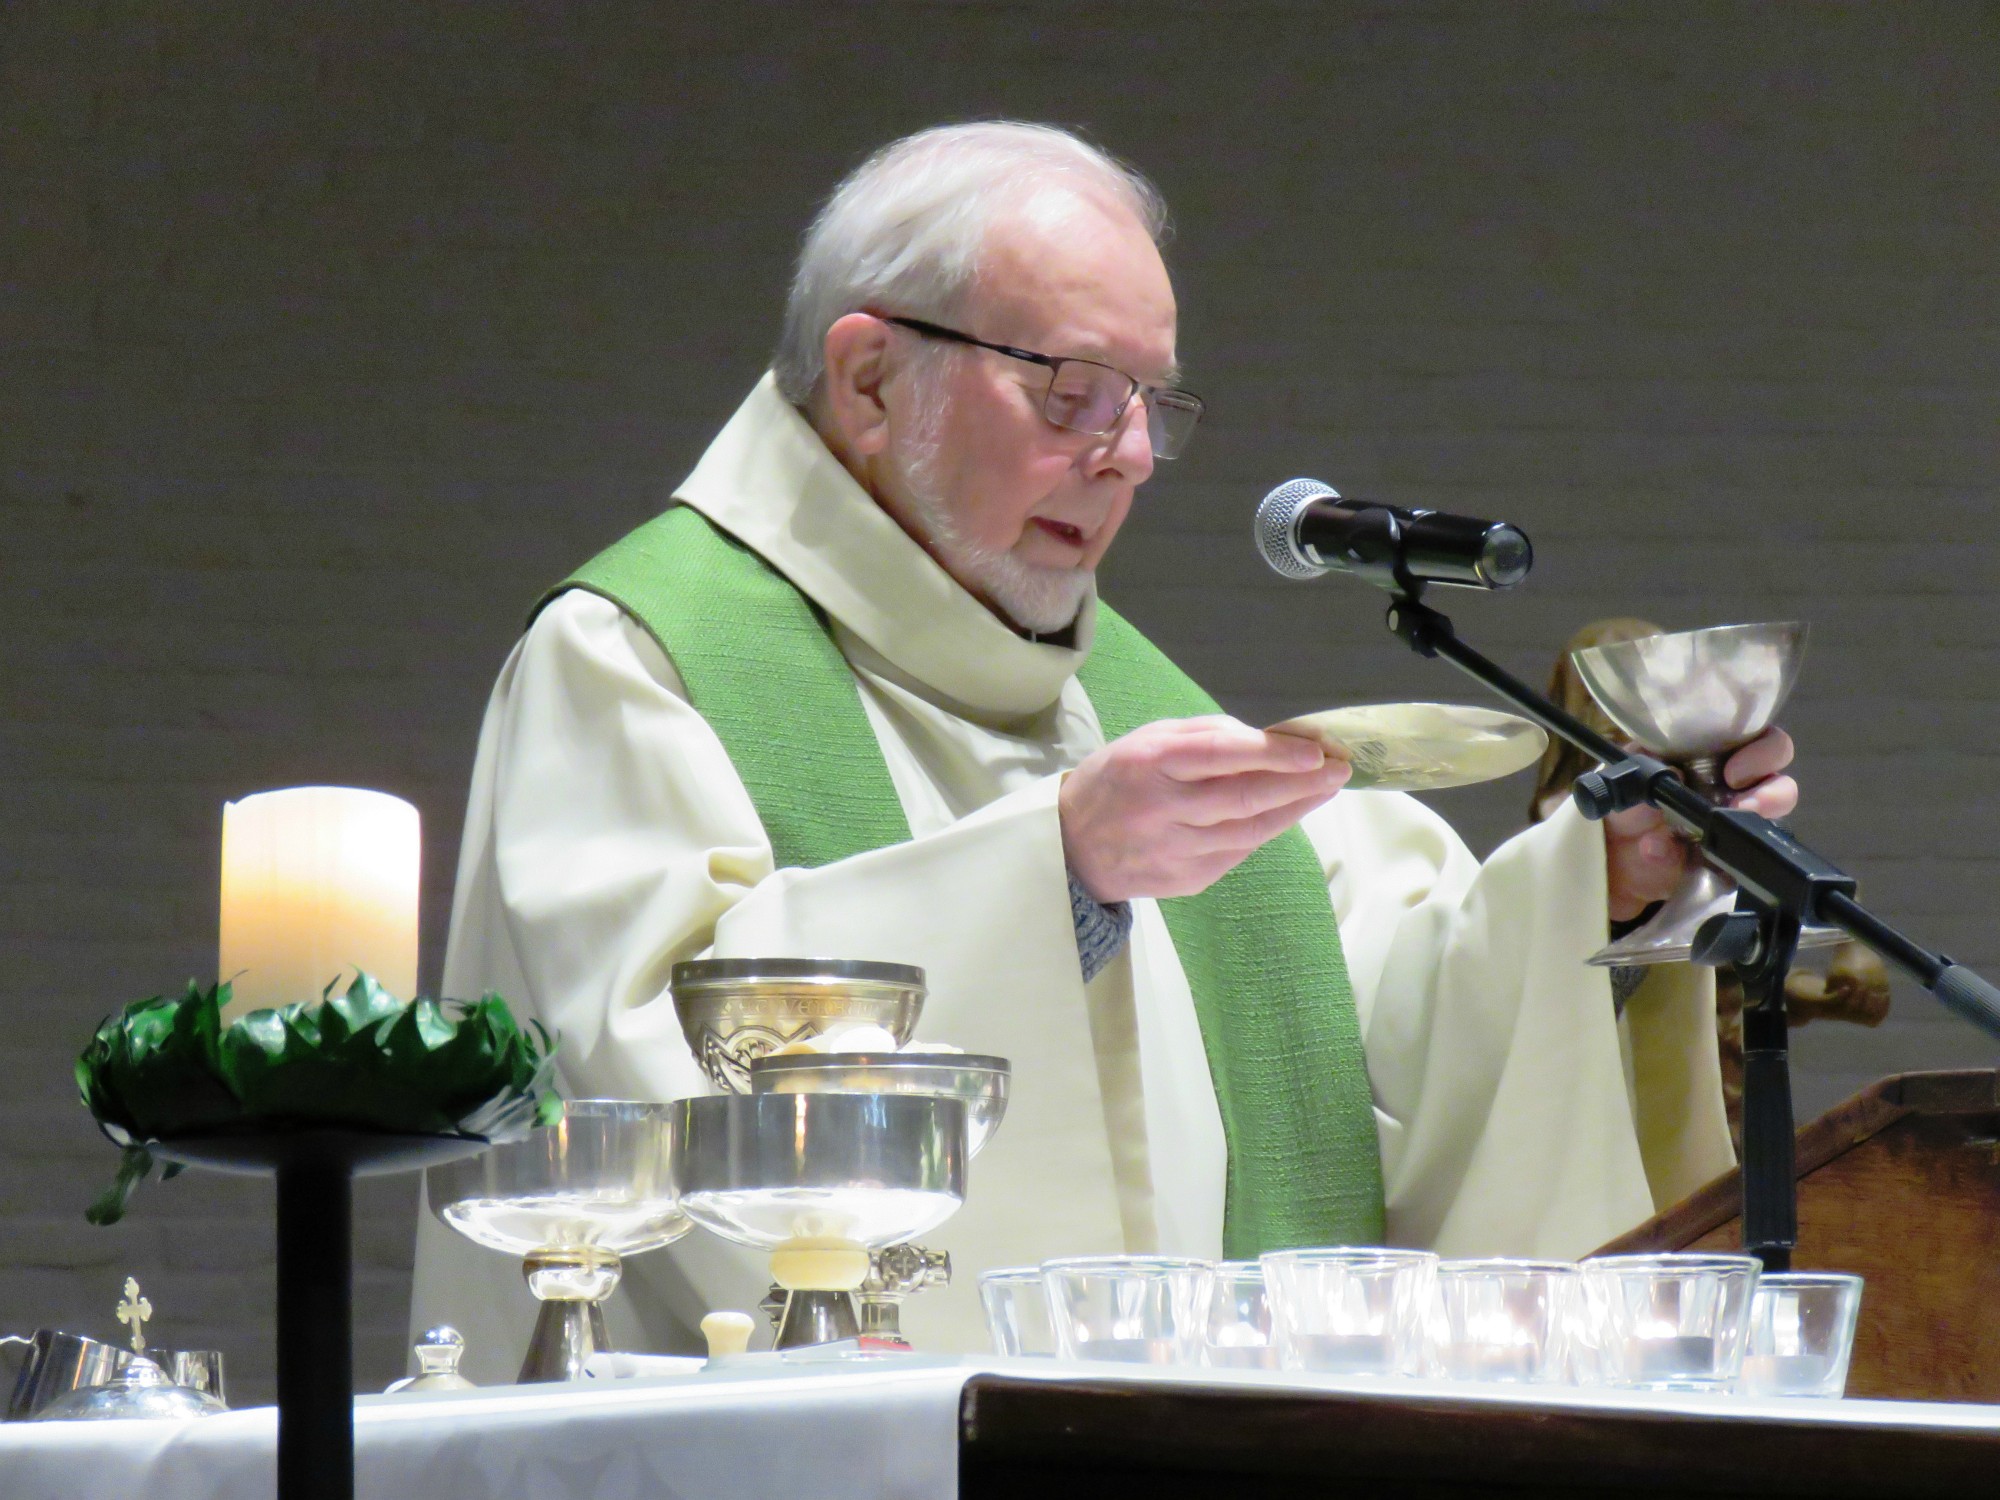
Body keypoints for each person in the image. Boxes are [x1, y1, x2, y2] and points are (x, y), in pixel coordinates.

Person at [411, 122, 1797, 1377]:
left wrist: (1604, 886)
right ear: (872, 378)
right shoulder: (636, 657)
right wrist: (1053, 876)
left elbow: (1374, 1048)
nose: (1129, 452)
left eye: (1151, 402)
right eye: (1074, 390)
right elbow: (637, 1074)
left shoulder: (1117, 704)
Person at [1529, 619, 1888, 1155]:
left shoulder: (1698, 830)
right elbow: (1572, 1008)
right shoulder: (1564, 849)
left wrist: (1839, 963)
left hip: (1728, 1104)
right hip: (1617, 1122)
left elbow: (1722, 982)